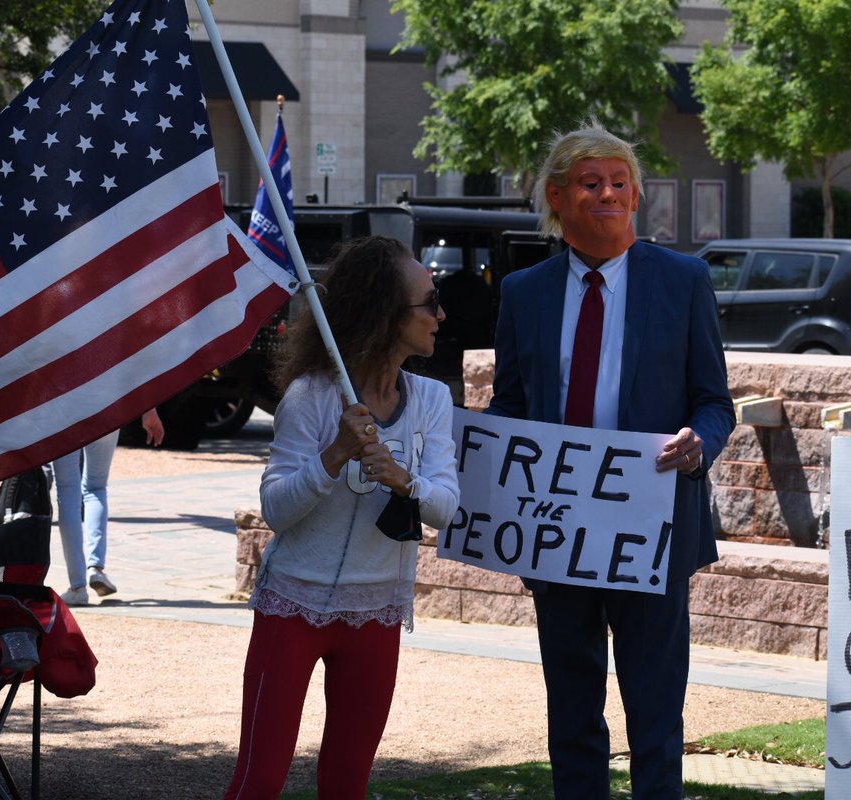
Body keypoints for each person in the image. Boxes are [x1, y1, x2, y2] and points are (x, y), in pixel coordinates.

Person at [486, 122, 735, 799]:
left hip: (650, 528)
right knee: (572, 713)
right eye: (591, 183)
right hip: (557, 531)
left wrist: (697, 444)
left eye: (620, 183)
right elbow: (510, 403)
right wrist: (479, 450)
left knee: (655, 716)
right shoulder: (524, 293)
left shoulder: (682, 281)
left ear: (636, 196)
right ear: (558, 198)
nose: (608, 194)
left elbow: (716, 402)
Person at [222, 236, 460, 799]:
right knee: (260, 778)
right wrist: (333, 454)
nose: (440, 314)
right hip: (294, 606)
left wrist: (406, 481)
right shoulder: (311, 396)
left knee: (348, 782)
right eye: (428, 301)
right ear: (385, 313)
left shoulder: (432, 401)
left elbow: (446, 509)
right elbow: (278, 510)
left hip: (378, 610)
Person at [52, 409, 163, 606]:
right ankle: (96, 568)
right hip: (106, 407)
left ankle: (77, 586)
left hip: (64, 409)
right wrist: (148, 410)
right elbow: (130, 375)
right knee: (96, 488)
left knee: (68, 491)